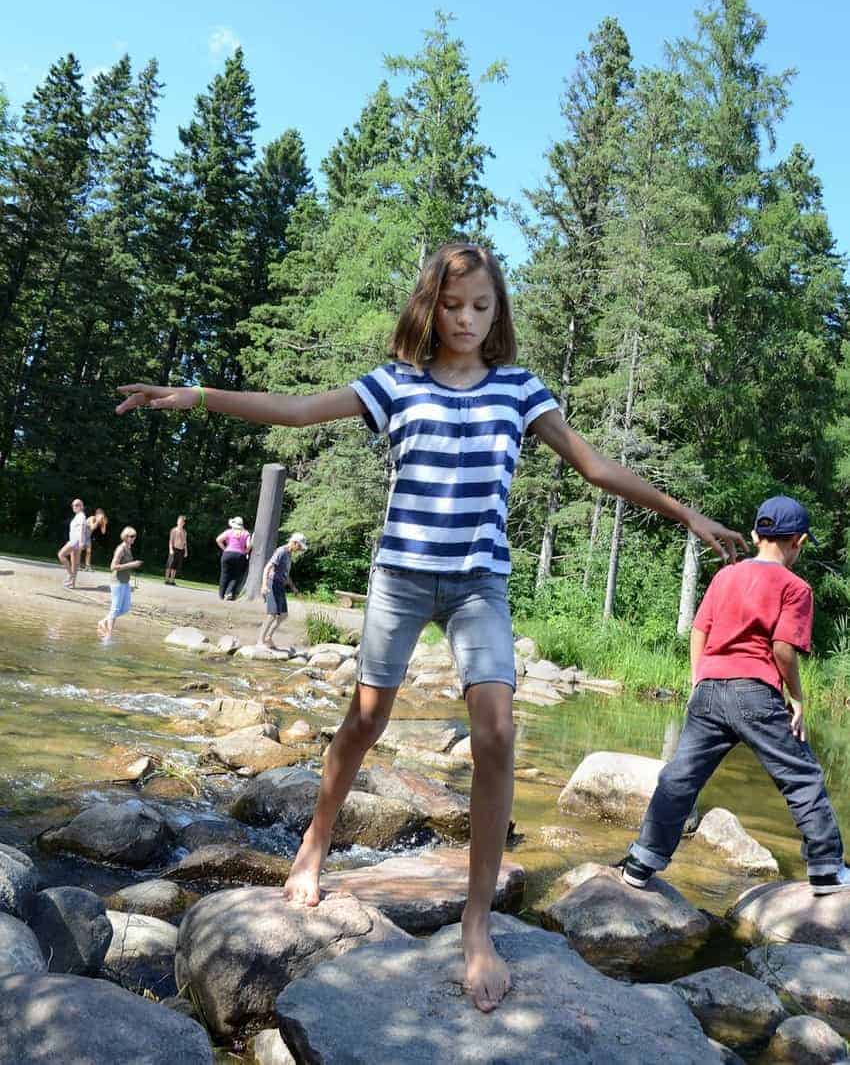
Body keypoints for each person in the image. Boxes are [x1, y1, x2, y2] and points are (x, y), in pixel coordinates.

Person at [116, 242, 746, 1013]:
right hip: (402, 578)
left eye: (482, 306)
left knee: (497, 731)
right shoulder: (396, 385)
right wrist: (196, 395)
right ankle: (315, 842)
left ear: (497, 310)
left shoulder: (519, 390)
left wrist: (685, 514)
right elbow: (298, 408)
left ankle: (476, 921)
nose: (467, 319)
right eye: (454, 306)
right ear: (431, 307)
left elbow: (594, 465)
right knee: (366, 720)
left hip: (480, 583)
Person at [622, 496, 849, 895]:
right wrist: (797, 698)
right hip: (755, 693)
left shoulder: (726, 576)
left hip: (709, 690)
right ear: (798, 541)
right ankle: (827, 868)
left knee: (680, 777)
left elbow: (699, 629)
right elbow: (782, 650)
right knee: (800, 776)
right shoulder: (795, 587)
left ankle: (642, 861)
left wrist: (698, 680)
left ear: (756, 534)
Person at [258, 532, 308, 648]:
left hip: (280, 585)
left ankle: (268, 637)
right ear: (295, 543)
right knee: (272, 614)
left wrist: (293, 588)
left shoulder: (289, 554)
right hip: (272, 584)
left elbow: (285, 574)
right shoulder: (281, 551)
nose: (300, 549)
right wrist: (264, 585)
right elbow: (267, 568)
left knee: (284, 615)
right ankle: (260, 641)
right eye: (299, 546)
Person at [97, 527, 142, 639]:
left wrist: (133, 565)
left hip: (125, 582)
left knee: (126, 608)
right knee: (115, 608)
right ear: (126, 537)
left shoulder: (128, 548)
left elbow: (125, 564)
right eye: (132, 536)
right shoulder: (121, 549)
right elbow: (113, 567)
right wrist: (132, 565)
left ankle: (103, 621)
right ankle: (109, 634)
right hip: (117, 582)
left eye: (134, 536)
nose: (134, 538)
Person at [216, 517, 251, 600]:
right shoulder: (246, 533)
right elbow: (249, 545)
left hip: (227, 554)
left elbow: (218, 540)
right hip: (240, 556)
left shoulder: (229, 532)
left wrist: (225, 549)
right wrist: (245, 551)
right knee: (235, 576)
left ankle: (221, 595)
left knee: (224, 575)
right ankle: (228, 593)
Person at [58, 498, 87, 589]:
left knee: (61, 555)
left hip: (76, 541)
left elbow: (82, 529)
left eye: (77, 505)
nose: (74, 507)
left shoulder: (81, 515)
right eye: (73, 505)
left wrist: (81, 542)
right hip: (74, 541)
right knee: (74, 563)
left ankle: (71, 575)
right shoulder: (78, 515)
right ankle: (72, 583)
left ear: (81, 506)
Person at [165, 515, 189, 585]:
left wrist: (186, 551)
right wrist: (171, 549)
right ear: (177, 522)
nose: (181, 523)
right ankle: (166, 579)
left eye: (182, 522)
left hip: (181, 550)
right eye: (180, 521)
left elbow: (185, 542)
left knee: (175, 567)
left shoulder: (184, 532)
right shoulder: (174, 530)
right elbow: (170, 541)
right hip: (174, 549)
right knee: (169, 565)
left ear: (184, 523)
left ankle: (172, 580)